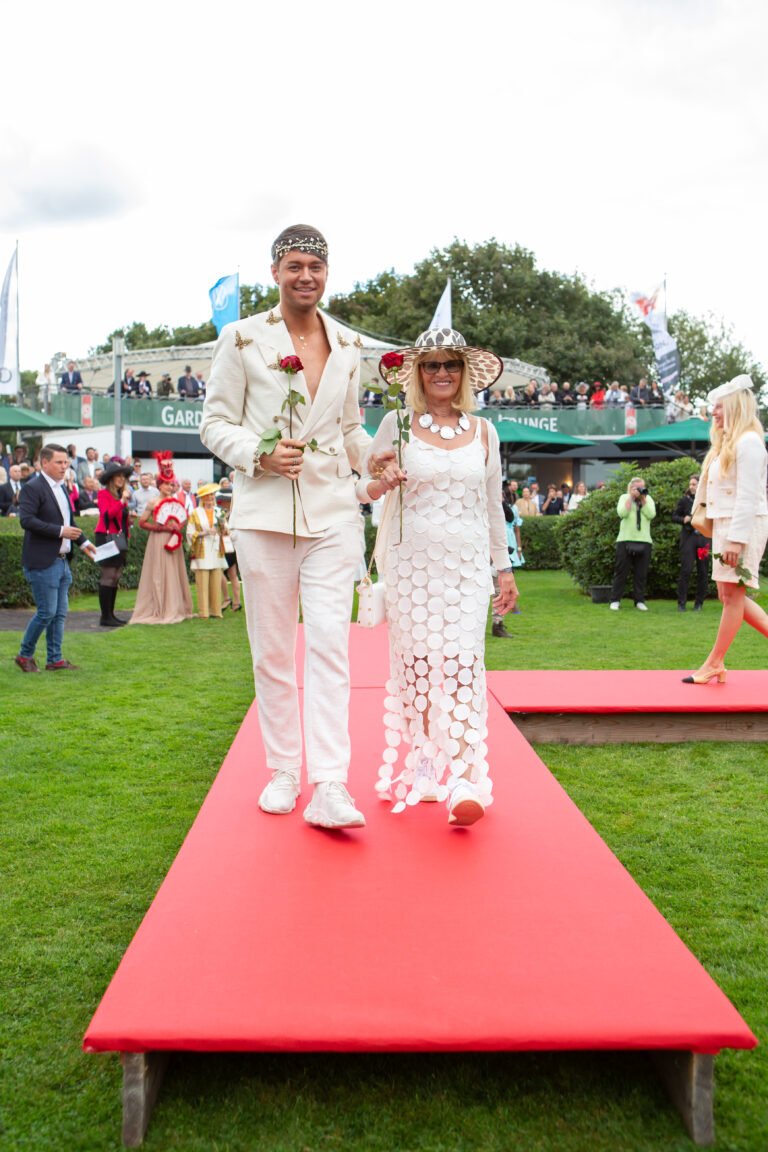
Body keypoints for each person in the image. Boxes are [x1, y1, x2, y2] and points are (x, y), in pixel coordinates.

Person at [200, 222, 389, 831]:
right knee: (274, 649)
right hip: (263, 514)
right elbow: (214, 423)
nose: (306, 276)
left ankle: (330, 783)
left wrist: (372, 458)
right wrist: (257, 452)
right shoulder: (241, 338)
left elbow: (352, 429)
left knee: (332, 644)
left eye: (316, 266)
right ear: (276, 272)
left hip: (334, 511)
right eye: (295, 266)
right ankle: (284, 768)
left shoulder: (349, 344)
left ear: (327, 274)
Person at [357, 328, 518, 827]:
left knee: (464, 662)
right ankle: (426, 761)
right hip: (410, 564)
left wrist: (504, 569)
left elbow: (493, 507)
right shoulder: (394, 424)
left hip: (467, 568)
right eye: (432, 365)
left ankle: (467, 776)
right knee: (420, 663)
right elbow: (363, 490)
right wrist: (381, 481)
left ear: (464, 373)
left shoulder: (485, 432)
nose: (442, 373)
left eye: (451, 365)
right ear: (418, 373)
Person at [684, 375, 768, 683]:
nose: (714, 412)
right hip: (726, 527)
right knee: (727, 594)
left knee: (733, 596)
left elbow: (748, 496)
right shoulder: (730, 442)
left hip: (741, 528)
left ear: (734, 406)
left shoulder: (749, 443)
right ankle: (716, 663)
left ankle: (714, 662)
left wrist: (735, 540)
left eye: (719, 407)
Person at [14, 443, 96, 672]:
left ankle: (55, 659)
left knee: (59, 614)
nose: (64, 466)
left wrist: (84, 542)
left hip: (62, 561)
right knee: (46, 613)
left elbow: (69, 522)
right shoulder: (33, 487)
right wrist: (61, 531)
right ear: (44, 463)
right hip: (42, 561)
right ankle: (24, 655)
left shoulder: (62, 488)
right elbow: (26, 521)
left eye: (66, 462)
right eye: (59, 462)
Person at [130, 467, 193, 626]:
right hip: (159, 538)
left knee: (174, 570)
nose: (169, 487)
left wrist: (178, 526)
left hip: (174, 538)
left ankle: (176, 606)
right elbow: (142, 522)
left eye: (171, 485)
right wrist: (163, 528)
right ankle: (160, 607)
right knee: (159, 570)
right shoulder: (153, 502)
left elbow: (183, 518)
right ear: (159, 486)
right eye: (166, 484)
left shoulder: (177, 502)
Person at [95, 459, 134, 627]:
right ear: (111, 479)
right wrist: (121, 503)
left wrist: (128, 526)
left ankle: (111, 614)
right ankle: (105, 616)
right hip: (105, 536)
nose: (121, 479)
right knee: (108, 575)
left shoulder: (119, 496)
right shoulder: (104, 494)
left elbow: (120, 518)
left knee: (116, 576)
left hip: (119, 538)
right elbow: (106, 515)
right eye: (118, 477)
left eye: (123, 477)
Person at [608, 476, 656, 611]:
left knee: (641, 573)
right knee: (621, 572)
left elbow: (651, 515)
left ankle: (639, 600)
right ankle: (615, 600)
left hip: (644, 540)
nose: (641, 490)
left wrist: (643, 499)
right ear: (631, 488)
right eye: (638, 488)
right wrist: (631, 497)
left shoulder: (648, 499)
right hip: (625, 539)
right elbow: (622, 513)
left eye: (642, 487)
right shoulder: (624, 497)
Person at [186, 483, 228, 618]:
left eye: (212, 495)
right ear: (202, 498)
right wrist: (204, 533)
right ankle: (204, 612)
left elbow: (226, 531)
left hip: (216, 549)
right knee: (202, 581)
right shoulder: (195, 513)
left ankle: (216, 610)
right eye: (207, 496)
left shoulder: (219, 511)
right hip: (202, 549)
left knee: (216, 580)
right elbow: (189, 533)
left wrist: (223, 528)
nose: (210, 498)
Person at [672, 475, 709, 612]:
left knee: (703, 571)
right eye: (691, 484)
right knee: (686, 570)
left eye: (694, 484)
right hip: (688, 538)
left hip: (703, 538)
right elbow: (674, 516)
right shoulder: (684, 500)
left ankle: (699, 604)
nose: (692, 486)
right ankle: (681, 603)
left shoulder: (707, 500)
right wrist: (683, 519)